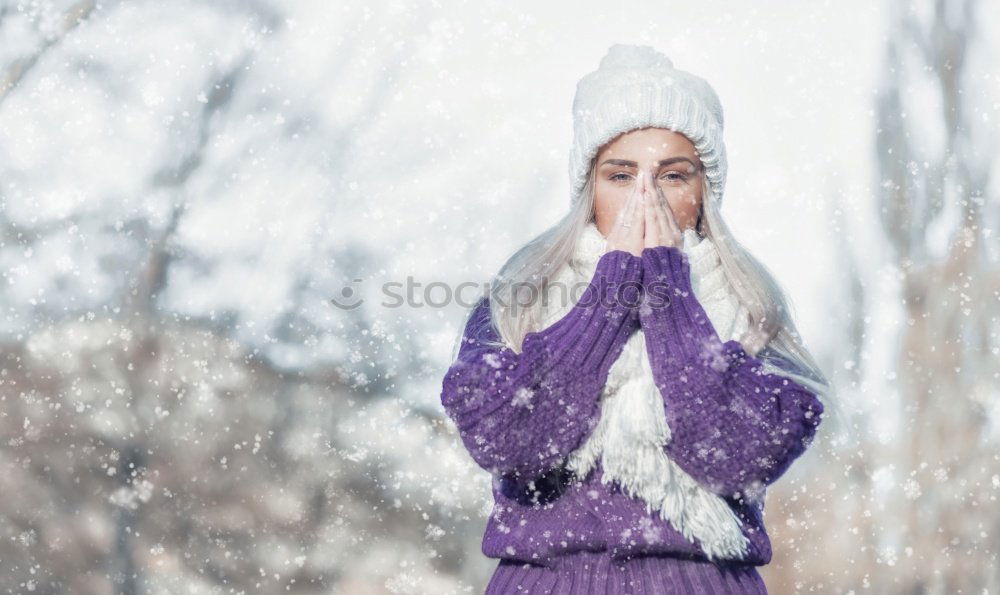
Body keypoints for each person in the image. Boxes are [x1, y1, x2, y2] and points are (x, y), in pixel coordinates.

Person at [440, 43, 836, 594]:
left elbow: (733, 456)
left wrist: (670, 296)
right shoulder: (516, 302)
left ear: (704, 192)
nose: (644, 197)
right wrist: (611, 295)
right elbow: (515, 444)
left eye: (673, 175)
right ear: (588, 188)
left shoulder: (753, 310)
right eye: (621, 176)